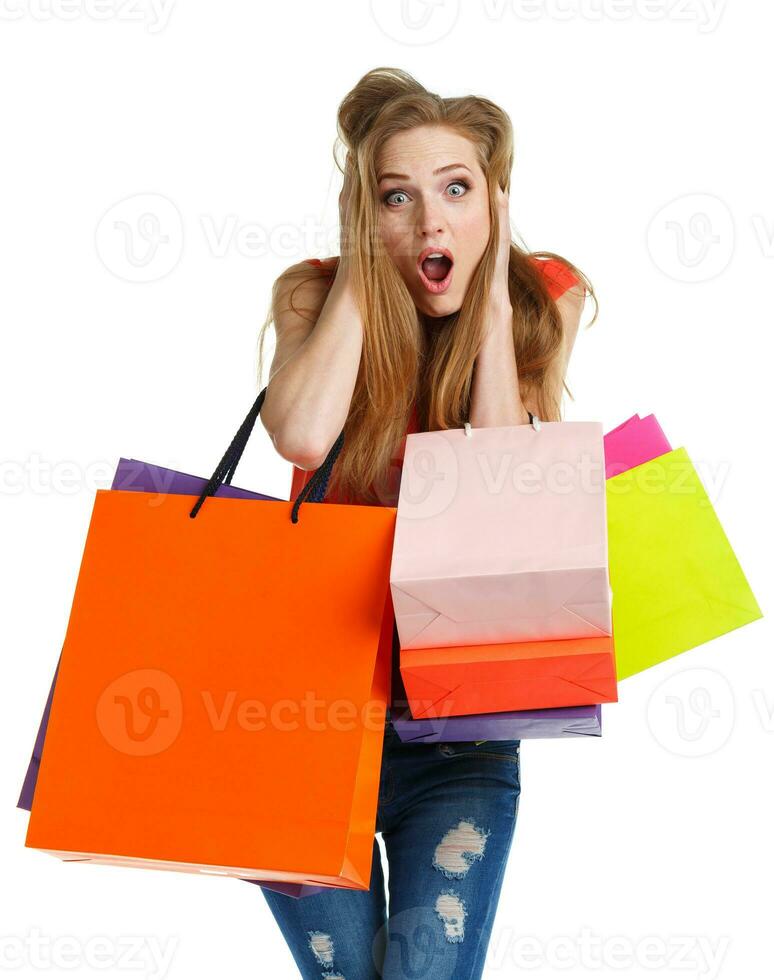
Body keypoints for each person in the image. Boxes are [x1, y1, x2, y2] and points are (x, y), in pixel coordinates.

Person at [255, 66, 595, 980]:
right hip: (295, 710)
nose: (430, 223)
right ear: (366, 214)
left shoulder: (541, 294)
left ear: (497, 201)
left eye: (457, 190)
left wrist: (487, 310)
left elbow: (501, 483)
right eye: (397, 198)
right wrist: (366, 270)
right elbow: (301, 430)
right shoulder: (312, 294)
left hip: (458, 717)